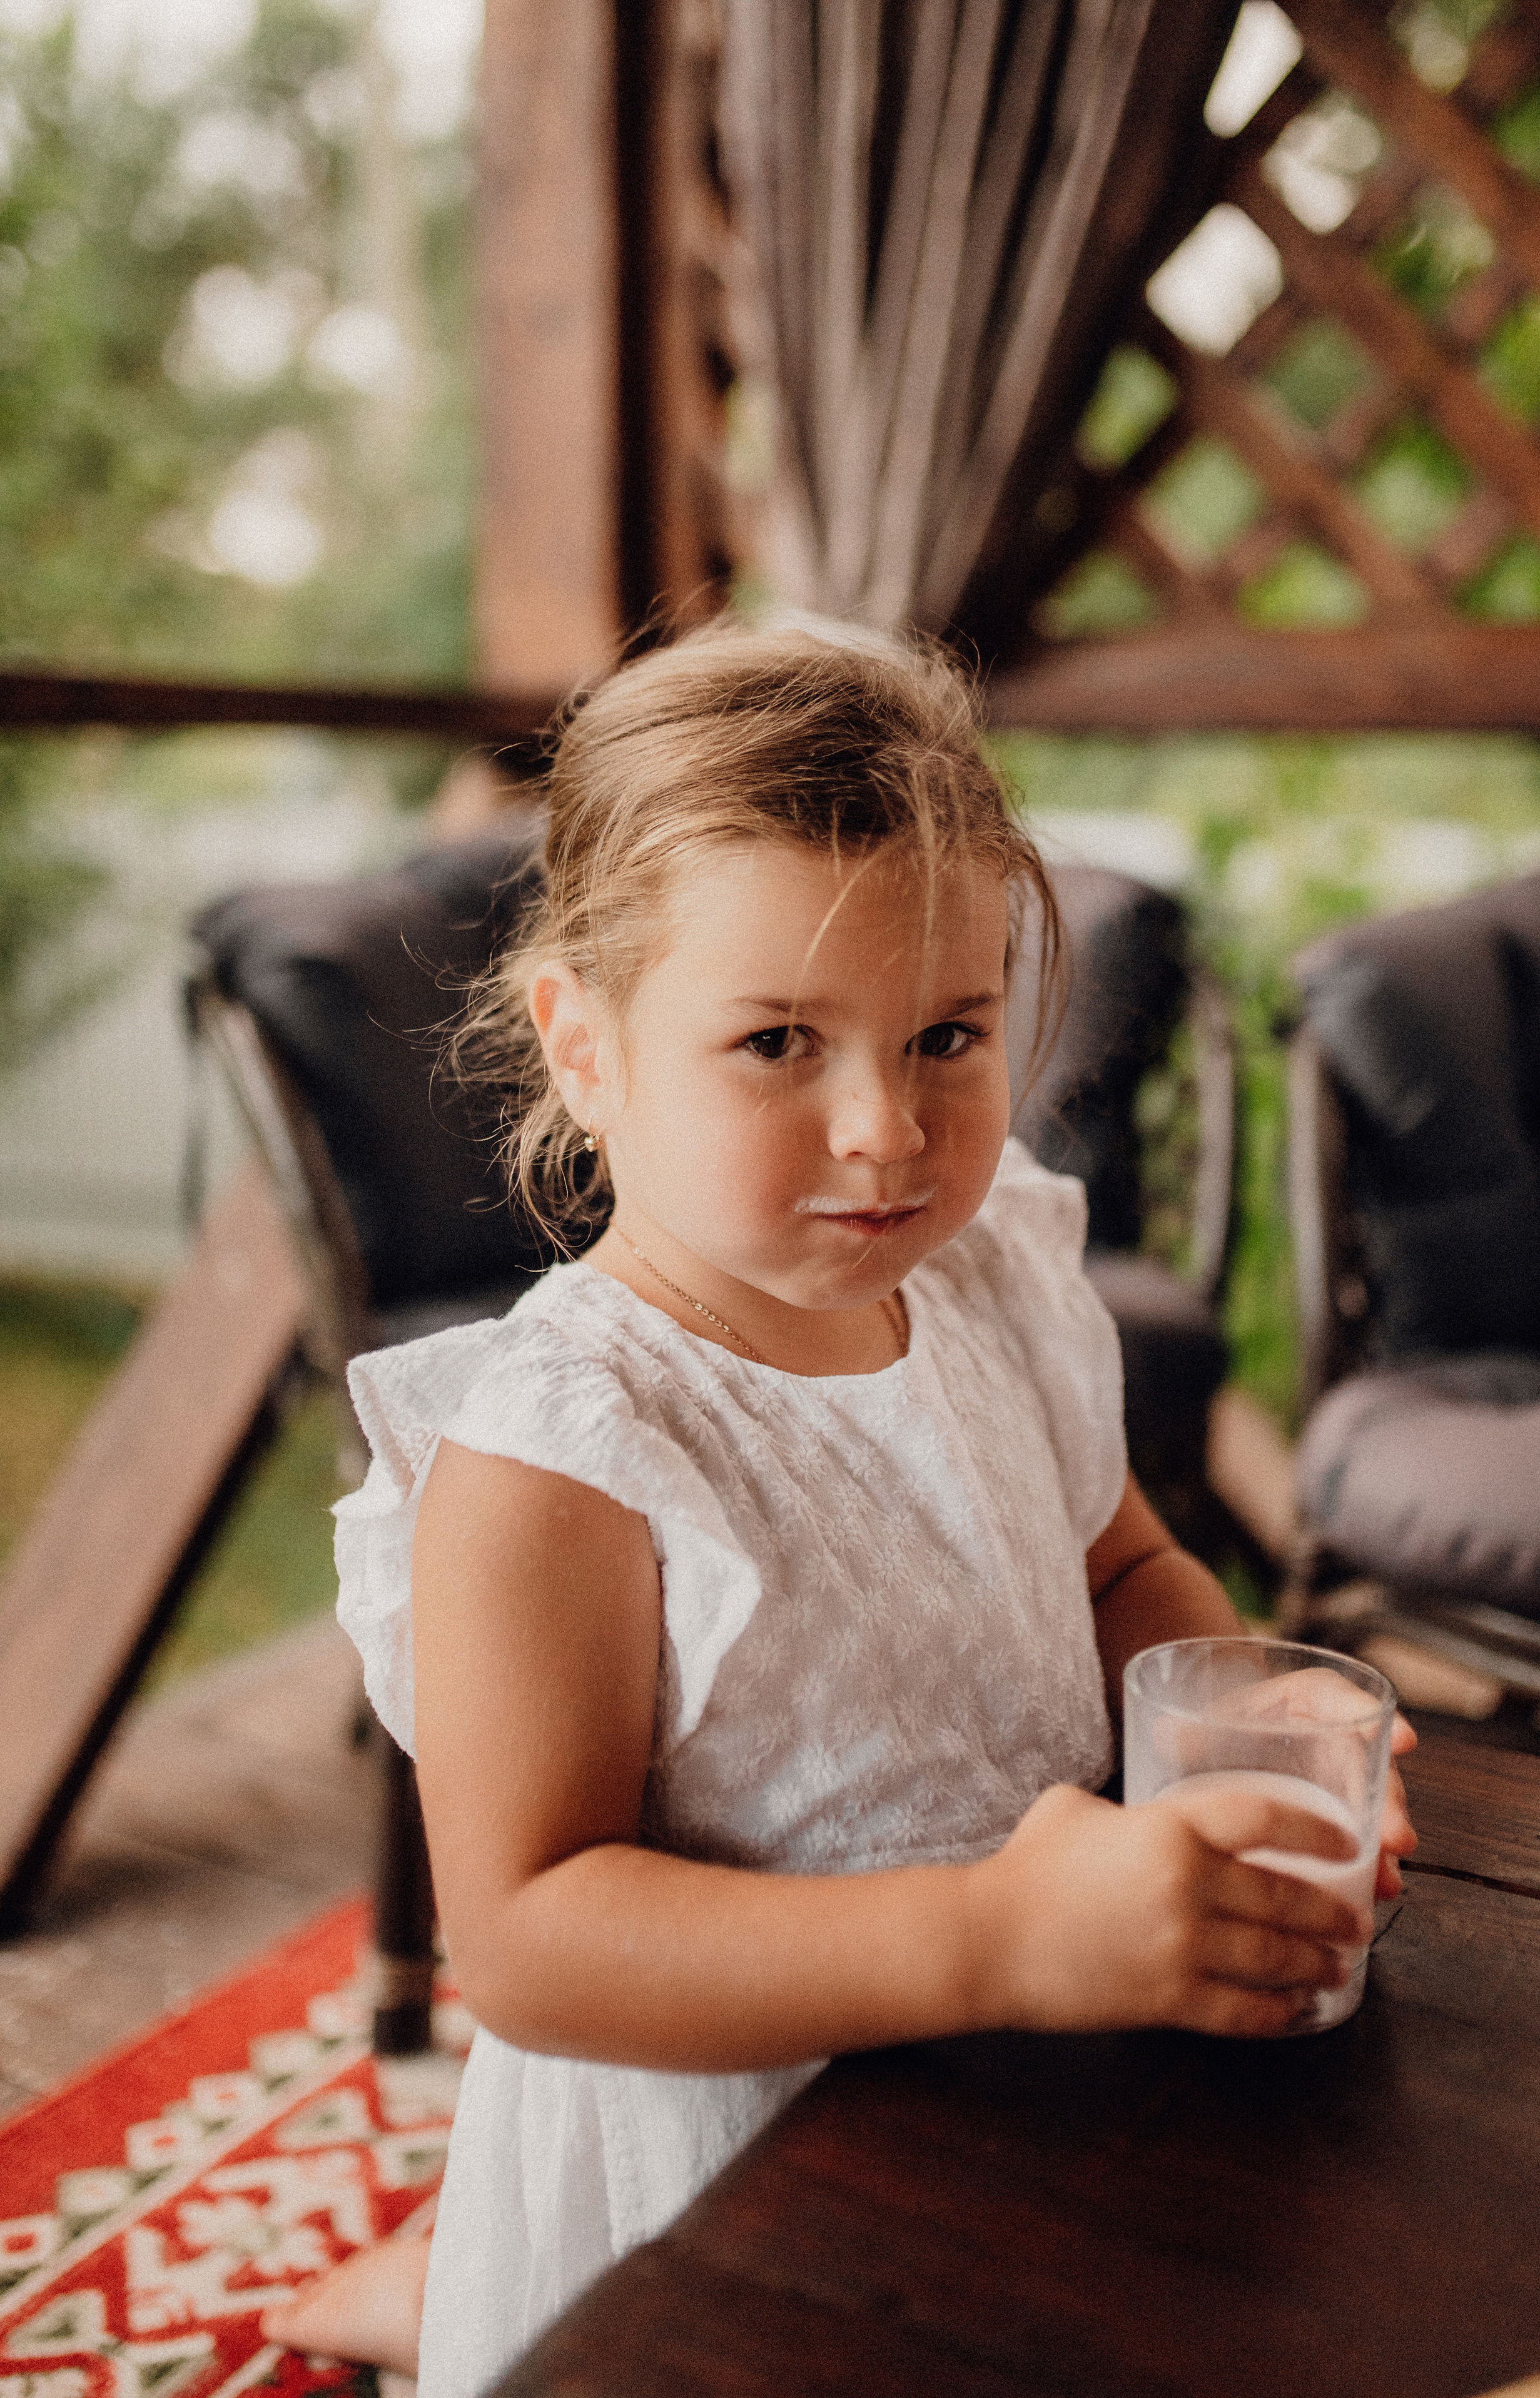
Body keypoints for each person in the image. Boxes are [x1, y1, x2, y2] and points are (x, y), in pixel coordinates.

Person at [263, 617, 1415, 2396]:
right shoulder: (560, 1454)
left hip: (1015, 2075)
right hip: (725, 2175)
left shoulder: (1000, 1284)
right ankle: (465, 2287)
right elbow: (536, 1937)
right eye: (781, 1042)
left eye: (947, 1031)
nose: (887, 1128)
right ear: (586, 1043)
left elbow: (1118, 1564)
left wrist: (1237, 1711)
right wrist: (999, 1939)